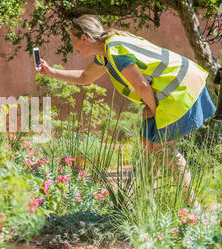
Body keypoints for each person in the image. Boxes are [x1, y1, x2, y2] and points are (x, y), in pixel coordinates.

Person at [39, 15, 216, 206]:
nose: (74, 46)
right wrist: (51, 72)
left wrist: (154, 111)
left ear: (84, 37)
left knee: (164, 149)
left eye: (74, 40)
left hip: (179, 89)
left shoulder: (114, 50)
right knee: (148, 145)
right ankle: (144, 205)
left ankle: (192, 207)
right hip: (173, 88)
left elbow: (141, 85)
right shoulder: (106, 52)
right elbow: (84, 77)